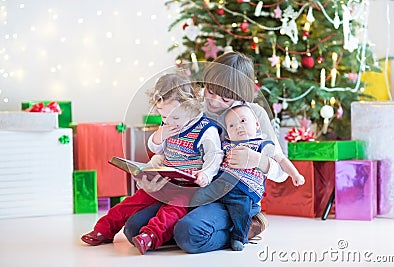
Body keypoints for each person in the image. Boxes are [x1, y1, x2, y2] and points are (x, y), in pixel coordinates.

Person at [124, 51, 302, 253]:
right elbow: (171, 144)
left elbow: (280, 171)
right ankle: (184, 227)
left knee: (189, 234)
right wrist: (153, 169)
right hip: (189, 191)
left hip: (232, 198)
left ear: (240, 96)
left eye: (225, 97)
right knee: (133, 229)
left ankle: (248, 225)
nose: (215, 100)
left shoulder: (252, 115)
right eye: (210, 90)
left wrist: (257, 160)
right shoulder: (194, 106)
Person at [81, 73, 223, 255]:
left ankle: (150, 236)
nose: (169, 122)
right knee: (131, 203)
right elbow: (156, 148)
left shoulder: (205, 129)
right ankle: (103, 229)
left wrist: (205, 174)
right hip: (165, 182)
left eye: (175, 118)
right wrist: (160, 135)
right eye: (164, 117)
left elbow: (214, 156)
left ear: (191, 106)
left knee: (172, 211)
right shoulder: (169, 126)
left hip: (188, 188)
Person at [190, 104, 305, 251]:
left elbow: (281, 159)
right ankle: (198, 218)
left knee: (241, 212)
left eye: (243, 121)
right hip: (220, 184)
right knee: (198, 195)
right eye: (231, 125)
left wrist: (295, 174)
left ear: (257, 124)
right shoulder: (226, 145)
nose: (238, 127)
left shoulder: (262, 144)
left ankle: (239, 237)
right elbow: (214, 159)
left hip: (243, 189)